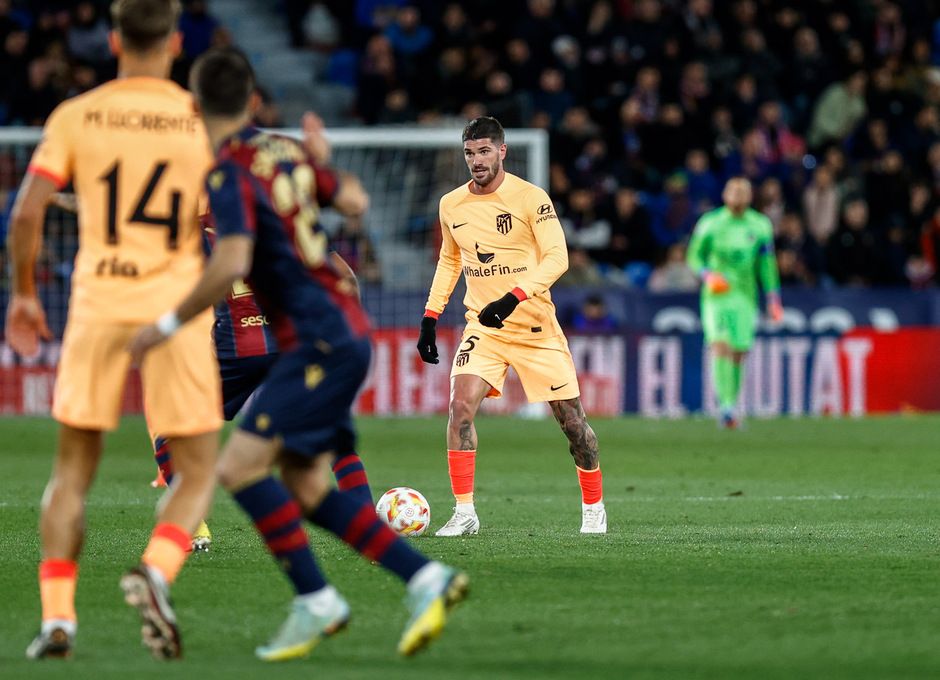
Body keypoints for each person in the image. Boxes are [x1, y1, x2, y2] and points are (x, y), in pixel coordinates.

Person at [128, 47, 468, 661]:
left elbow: (230, 261)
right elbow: (359, 204)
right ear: (255, 102)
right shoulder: (284, 152)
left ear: (196, 109)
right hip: (337, 327)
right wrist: (322, 164)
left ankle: (319, 599)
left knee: (235, 468)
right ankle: (423, 579)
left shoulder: (226, 172)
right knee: (307, 483)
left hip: (314, 338)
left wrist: (166, 322)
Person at [6, 0, 220, 660]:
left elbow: (27, 212)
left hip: (98, 301)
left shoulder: (77, 115)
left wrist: (23, 295)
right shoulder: (200, 121)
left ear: (114, 40)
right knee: (197, 470)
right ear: (176, 42)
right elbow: (228, 219)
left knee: (72, 471)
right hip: (175, 308)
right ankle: (155, 571)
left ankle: (58, 618)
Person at [150, 114, 375, 550]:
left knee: (169, 428)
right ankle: (367, 522)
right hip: (294, 338)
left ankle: (192, 530)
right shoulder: (276, 200)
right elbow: (344, 271)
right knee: (330, 433)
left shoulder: (192, 207)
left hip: (236, 343)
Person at [416, 116, 606, 536]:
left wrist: (514, 297)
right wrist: (430, 317)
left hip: (535, 328)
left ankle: (594, 506)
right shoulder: (451, 204)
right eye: (469, 153)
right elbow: (451, 260)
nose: (476, 161)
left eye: (484, 151)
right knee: (459, 408)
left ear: (502, 151)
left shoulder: (530, 198)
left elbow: (559, 258)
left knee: (573, 425)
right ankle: (465, 512)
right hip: (483, 327)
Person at [686, 177, 783, 428]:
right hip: (716, 296)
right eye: (734, 190)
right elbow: (694, 256)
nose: (738, 195)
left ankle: (731, 403)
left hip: (745, 295)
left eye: (743, 191)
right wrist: (708, 275)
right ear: (725, 195)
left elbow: (766, 265)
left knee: (739, 351)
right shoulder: (710, 223)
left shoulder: (760, 225)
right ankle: (726, 408)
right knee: (720, 345)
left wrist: (773, 298)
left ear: (750, 196)